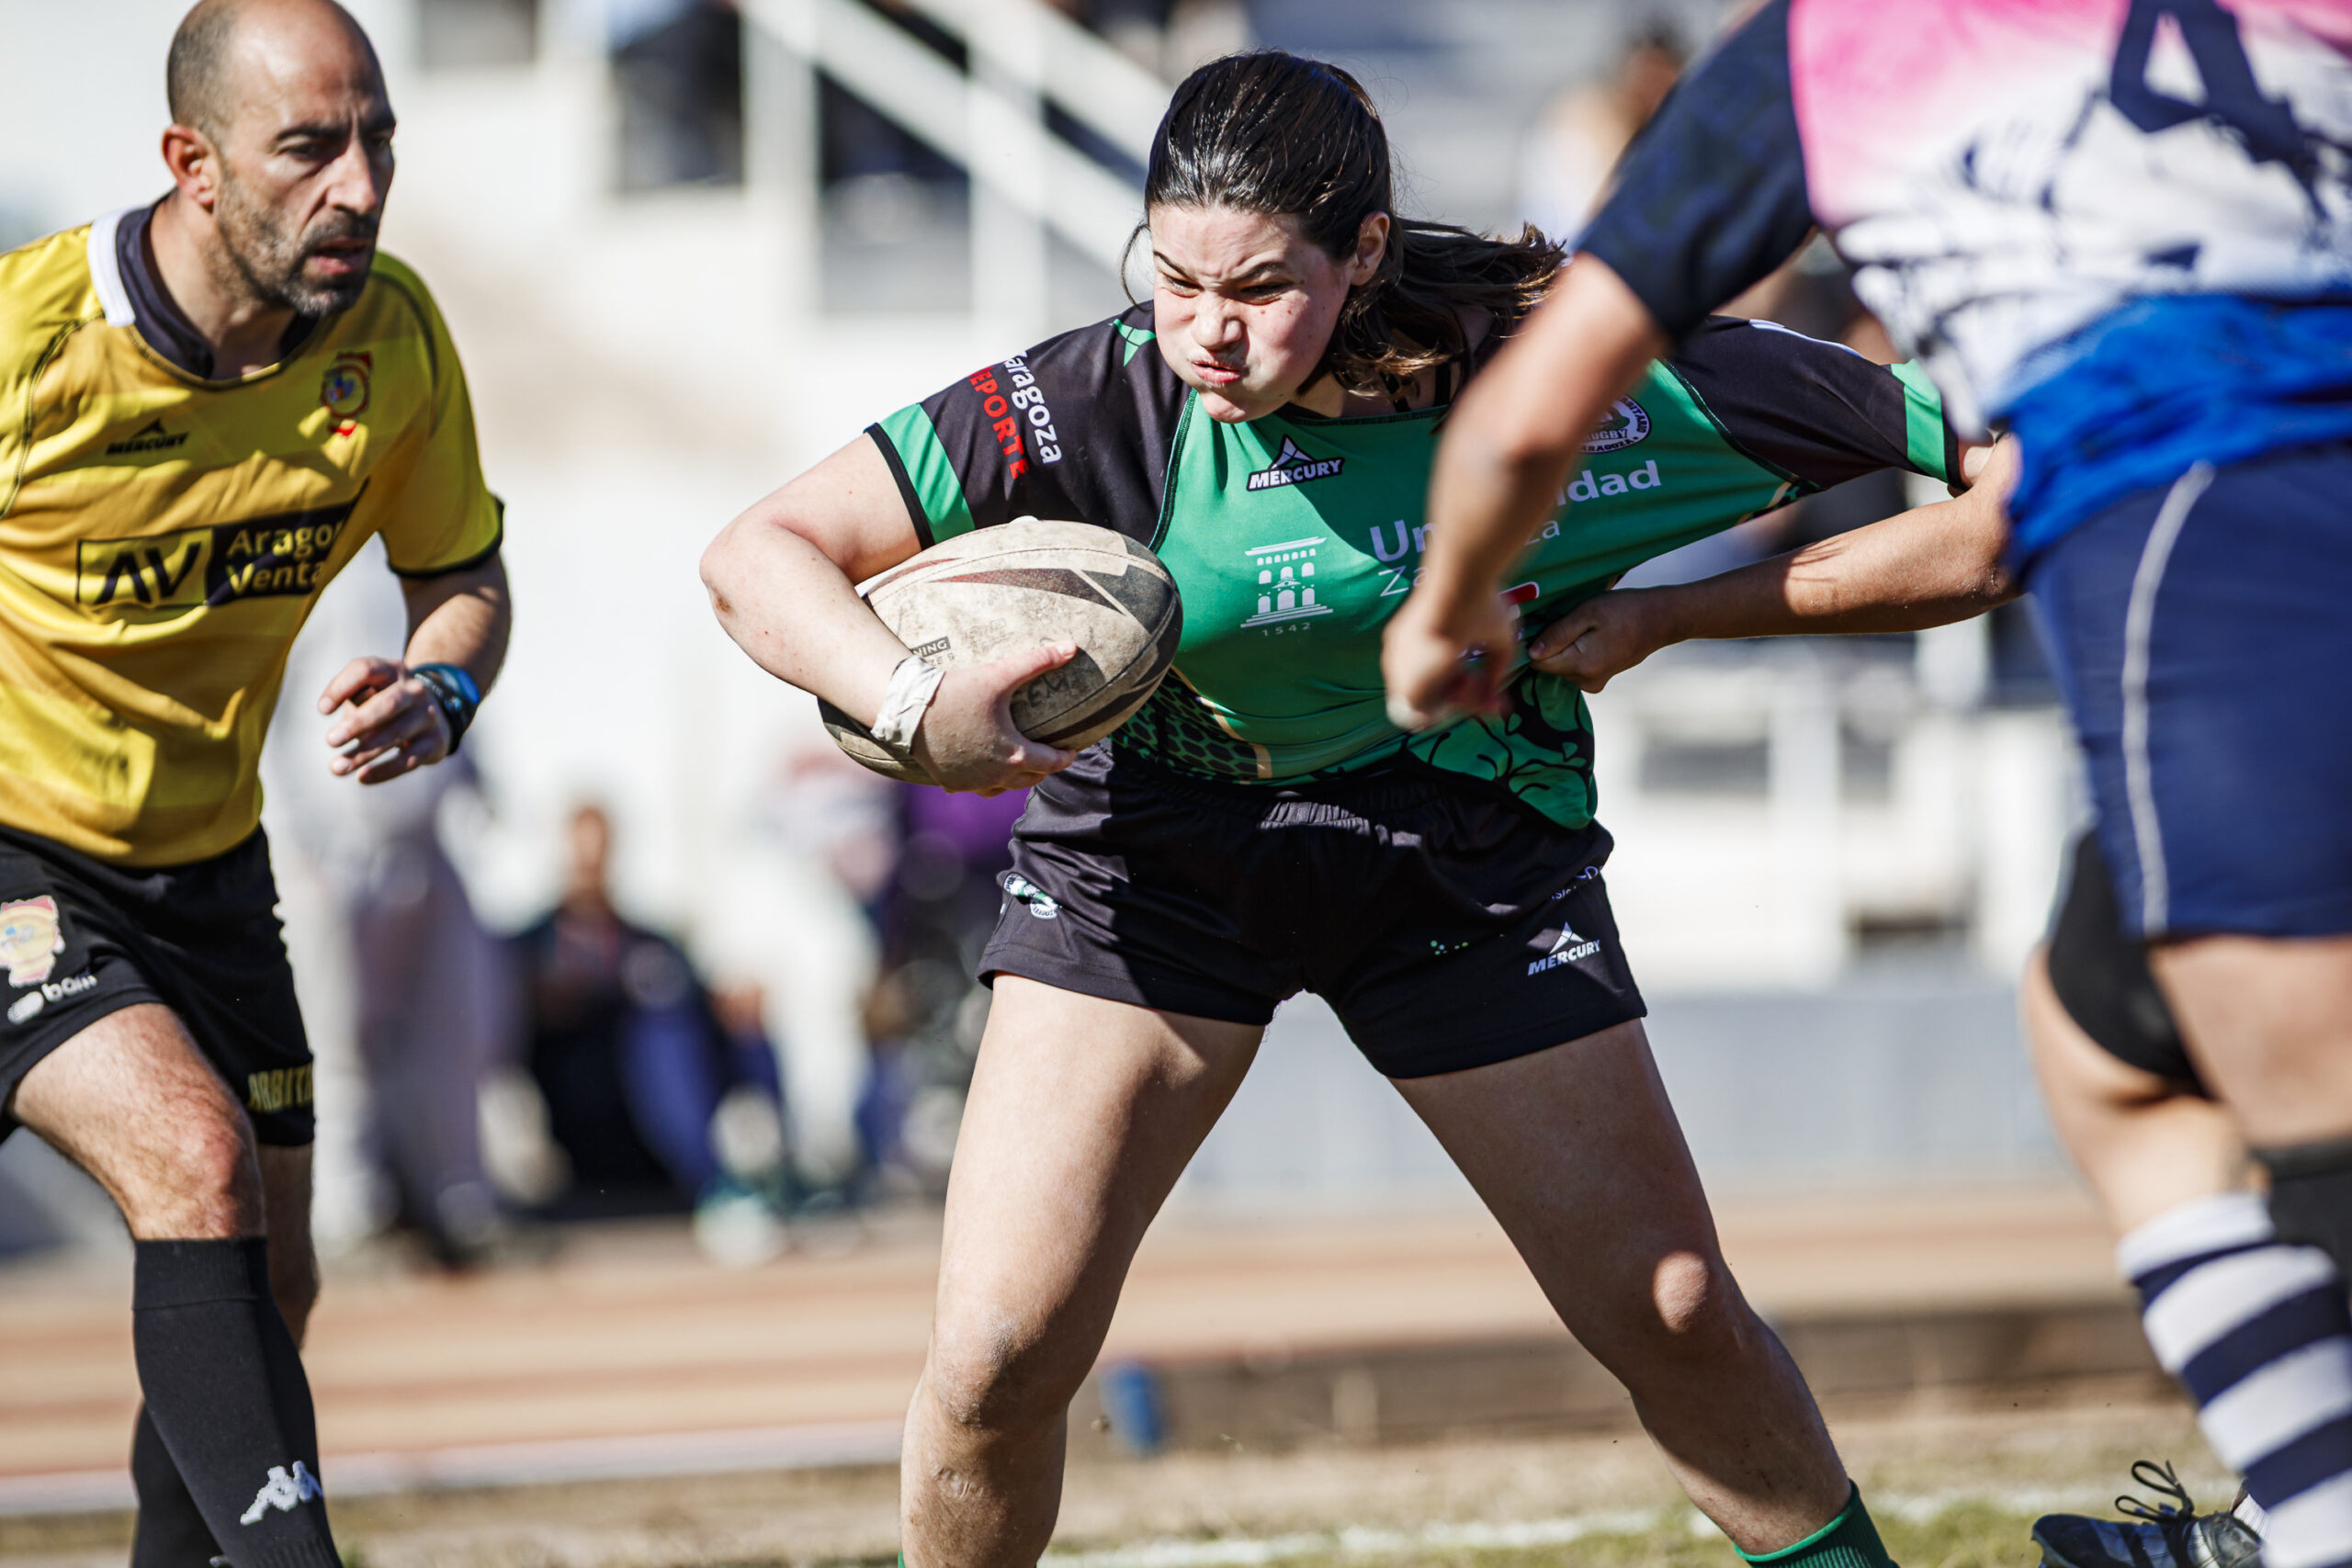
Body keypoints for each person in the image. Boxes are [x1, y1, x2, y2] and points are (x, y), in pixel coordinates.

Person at [703, 50, 2017, 1568]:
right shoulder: (1100, 401)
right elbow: (764, 550)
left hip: (1459, 856)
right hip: (1156, 868)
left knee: (1673, 1311)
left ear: (1367, 254)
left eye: (1257, 287)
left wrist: (1688, 614)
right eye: (1175, 277)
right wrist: (917, 704)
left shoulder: (1601, 374)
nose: (1203, 329)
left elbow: (2010, 504)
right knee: (1001, 1351)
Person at [1385, 6, 2352, 1568]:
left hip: (2225, 547)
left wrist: (1442, 618)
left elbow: (1527, 414)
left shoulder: (1837, 48)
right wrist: (1662, 615)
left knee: (2293, 1110)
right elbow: (1974, 534)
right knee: (2099, 1027)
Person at [0, 1, 511, 1562]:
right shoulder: (32, 341)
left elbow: (466, 572)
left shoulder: (395, 340)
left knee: (268, 1283)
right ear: (192, 162)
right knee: (197, 1165)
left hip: (210, 869)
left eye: (379, 143)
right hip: (14, 853)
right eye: (309, 148)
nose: (358, 186)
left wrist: (445, 684)